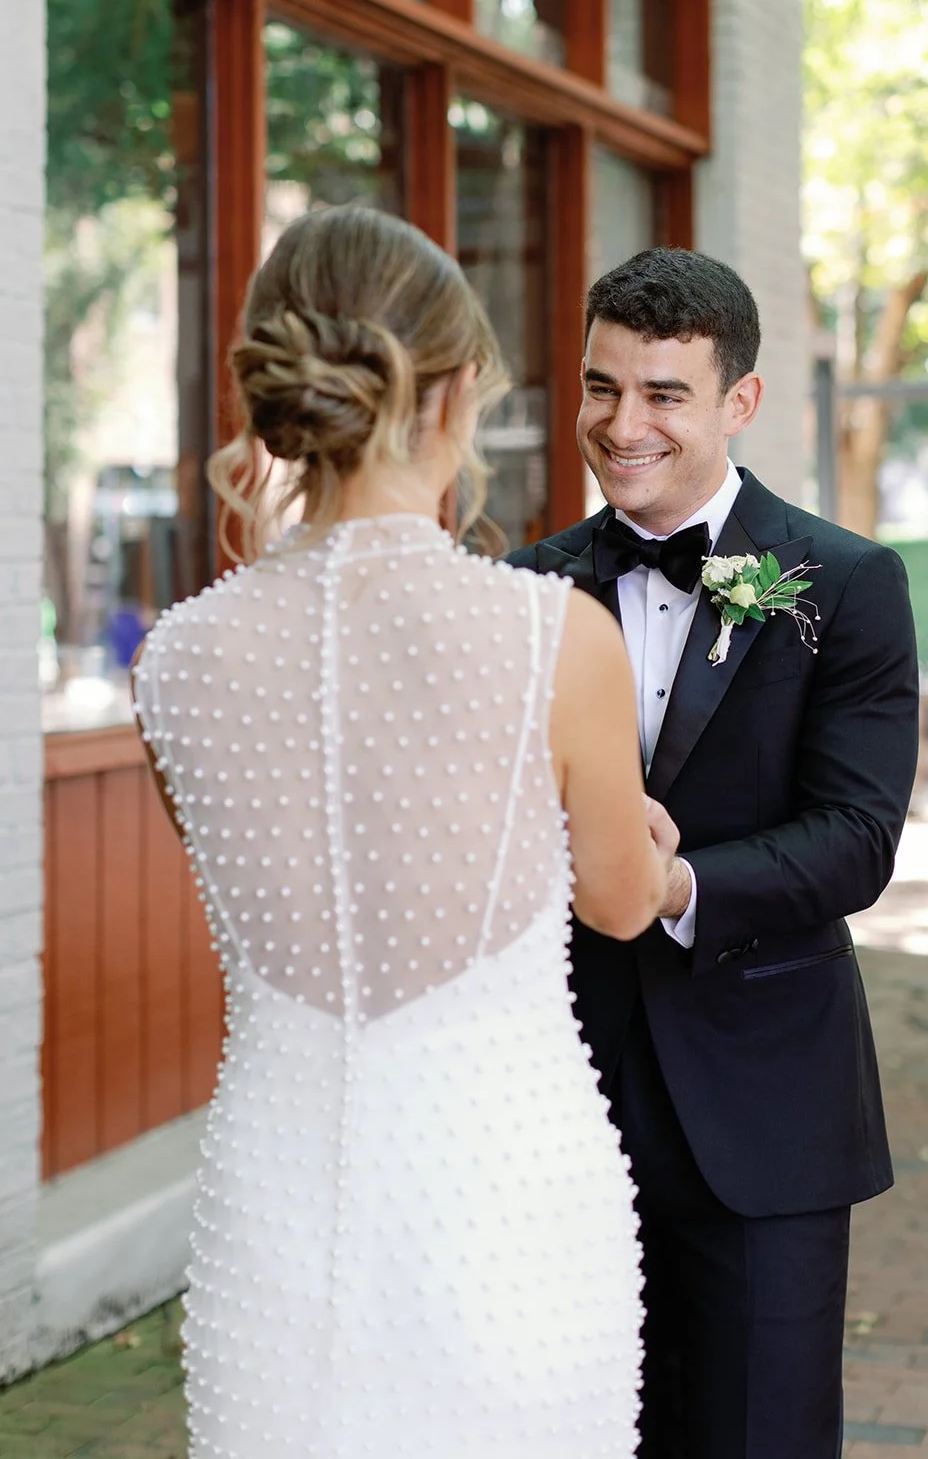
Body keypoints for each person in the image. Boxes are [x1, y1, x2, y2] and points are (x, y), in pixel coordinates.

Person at [132, 204, 678, 1459]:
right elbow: (620, 900)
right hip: (506, 1199)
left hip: (276, 1205)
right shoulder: (553, 636)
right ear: (451, 393)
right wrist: (634, 826)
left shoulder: (177, 661)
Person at [509, 247, 920, 1459]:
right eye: (599, 388)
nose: (619, 424)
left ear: (738, 401)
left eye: (661, 394)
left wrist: (672, 882)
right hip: (558, 1111)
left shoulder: (843, 584)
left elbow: (855, 838)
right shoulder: (528, 587)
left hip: (765, 1112)